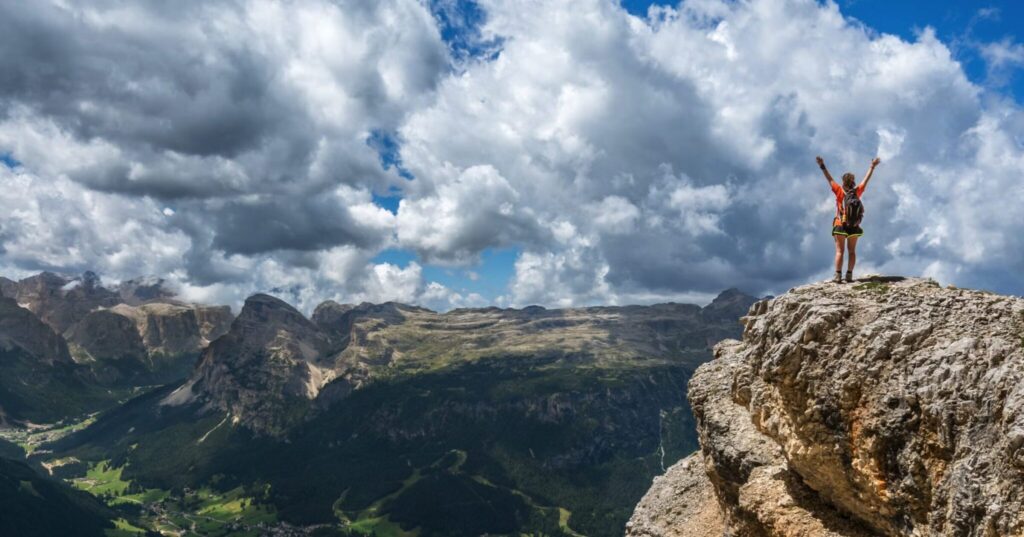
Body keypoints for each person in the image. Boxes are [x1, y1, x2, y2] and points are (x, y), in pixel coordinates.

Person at [816, 155, 881, 283]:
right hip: (854, 226)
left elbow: (829, 178)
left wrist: (822, 166)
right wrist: (872, 167)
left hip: (840, 224)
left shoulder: (838, 190)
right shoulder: (857, 192)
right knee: (852, 252)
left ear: (843, 182)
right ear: (853, 182)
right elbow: (866, 180)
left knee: (840, 251)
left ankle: (838, 275)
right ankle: (849, 275)